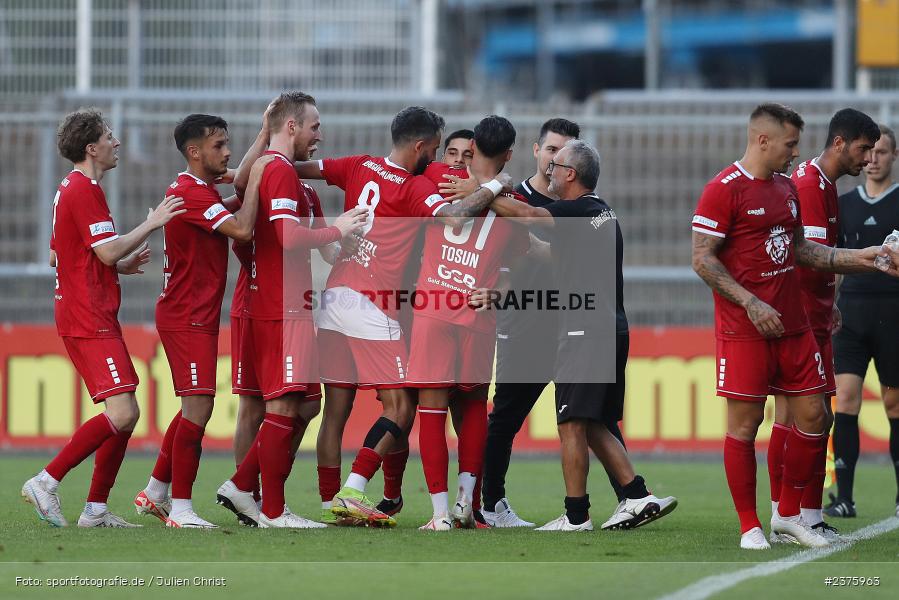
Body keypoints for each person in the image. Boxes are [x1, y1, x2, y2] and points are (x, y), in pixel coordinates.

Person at [292, 106, 512, 526]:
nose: (447, 160)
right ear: (424, 147)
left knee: (336, 410)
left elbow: (304, 167)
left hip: (336, 296)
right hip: (377, 304)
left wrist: (252, 167)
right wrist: (498, 183)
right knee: (402, 406)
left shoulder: (359, 165)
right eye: (441, 150)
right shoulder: (418, 185)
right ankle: (354, 491)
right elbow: (454, 213)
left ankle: (334, 503)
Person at [692, 103, 894, 550]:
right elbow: (701, 258)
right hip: (746, 326)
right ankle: (750, 525)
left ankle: (789, 516)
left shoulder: (786, 187)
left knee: (814, 415)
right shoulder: (722, 189)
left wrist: (866, 258)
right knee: (744, 427)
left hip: (794, 324)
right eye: (789, 144)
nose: (795, 153)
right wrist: (750, 302)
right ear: (763, 140)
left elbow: (805, 251)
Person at [487, 139, 677, 531]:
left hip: (584, 330)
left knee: (571, 423)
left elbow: (528, 215)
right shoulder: (599, 213)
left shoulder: (579, 210)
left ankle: (576, 516)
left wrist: (483, 193)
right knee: (592, 422)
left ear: (570, 173)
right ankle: (637, 495)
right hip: (608, 328)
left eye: (554, 165)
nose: (548, 172)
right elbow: (546, 250)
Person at [22, 108, 184, 528]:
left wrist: (115, 267)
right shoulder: (84, 191)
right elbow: (105, 249)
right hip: (87, 315)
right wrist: (152, 223)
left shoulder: (72, 189)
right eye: (110, 136)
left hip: (89, 311)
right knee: (125, 413)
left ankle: (95, 509)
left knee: (127, 411)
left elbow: (61, 253)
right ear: (91, 148)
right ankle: (46, 480)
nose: (117, 142)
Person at [217, 92, 367, 529]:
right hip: (279, 307)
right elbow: (286, 237)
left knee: (303, 407)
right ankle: (269, 507)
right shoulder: (277, 171)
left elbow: (317, 243)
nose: (320, 134)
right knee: (278, 407)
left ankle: (246, 487)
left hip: (289, 303)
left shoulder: (292, 181)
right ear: (292, 127)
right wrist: (336, 230)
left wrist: (344, 239)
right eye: (314, 126)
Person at [132, 114, 269, 528]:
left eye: (228, 144)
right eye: (219, 145)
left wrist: (263, 135)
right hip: (186, 316)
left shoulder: (198, 191)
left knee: (193, 406)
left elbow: (232, 199)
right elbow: (243, 229)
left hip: (194, 314)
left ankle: (156, 490)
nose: (227, 152)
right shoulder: (191, 193)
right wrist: (262, 177)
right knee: (199, 408)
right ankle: (182, 508)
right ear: (195, 152)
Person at [406, 115, 529, 530]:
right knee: (475, 407)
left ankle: (440, 515)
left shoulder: (441, 175)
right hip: (478, 315)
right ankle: (466, 503)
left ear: (472, 147)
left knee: (433, 411)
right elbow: (518, 264)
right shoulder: (512, 203)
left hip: (434, 309)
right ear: (509, 154)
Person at [768, 108, 879, 543]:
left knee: (802, 416)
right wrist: (871, 261)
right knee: (809, 415)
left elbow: (818, 263)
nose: (868, 158)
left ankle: (798, 514)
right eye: (863, 148)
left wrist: (828, 300)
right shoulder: (810, 185)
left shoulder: (826, 183)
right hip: (799, 320)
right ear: (839, 143)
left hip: (814, 315)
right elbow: (808, 255)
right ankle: (793, 514)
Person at [826, 123, 899, 519]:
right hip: (851, 314)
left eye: (883, 152)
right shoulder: (844, 202)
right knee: (847, 400)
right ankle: (844, 497)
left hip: (894, 314)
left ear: (894, 157)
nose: (873, 160)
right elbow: (832, 259)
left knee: (893, 404)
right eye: (869, 152)